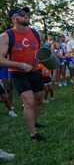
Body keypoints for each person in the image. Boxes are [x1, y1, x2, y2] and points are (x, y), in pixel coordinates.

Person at [0, 7, 46, 141]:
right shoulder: (6, 36)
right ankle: (33, 134)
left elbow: (39, 51)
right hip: (18, 72)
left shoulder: (37, 33)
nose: (25, 15)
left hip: (36, 70)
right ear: (13, 19)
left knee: (38, 99)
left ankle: (34, 122)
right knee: (30, 102)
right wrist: (21, 65)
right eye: (21, 14)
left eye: (26, 13)